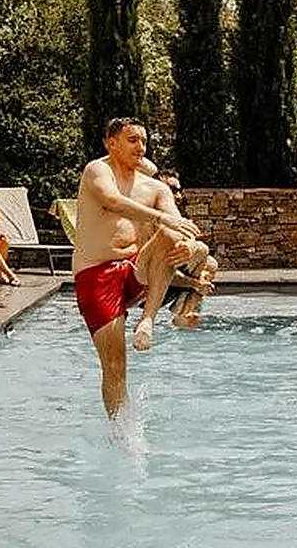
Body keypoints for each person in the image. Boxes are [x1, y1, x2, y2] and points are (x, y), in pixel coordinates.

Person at [72, 118, 202, 418]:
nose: (140, 146)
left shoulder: (155, 188)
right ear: (111, 142)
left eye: (143, 141)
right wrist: (161, 220)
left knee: (174, 237)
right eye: (132, 140)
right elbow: (112, 201)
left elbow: (175, 221)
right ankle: (120, 431)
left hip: (135, 269)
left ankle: (148, 319)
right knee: (116, 365)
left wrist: (185, 244)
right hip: (96, 275)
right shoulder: (97, 170)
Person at [147, 169, 217, 329]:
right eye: (172, 191)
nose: (178, 197)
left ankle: (185, 316)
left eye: (179, 191)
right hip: (148, 290)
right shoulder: (147, 224)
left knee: (210, 263)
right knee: (200, 250)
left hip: (171, 285)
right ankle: (183, 316)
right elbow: (154, 272)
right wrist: (195, 284)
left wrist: (198, 281)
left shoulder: (178, 222)